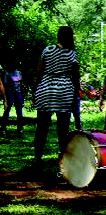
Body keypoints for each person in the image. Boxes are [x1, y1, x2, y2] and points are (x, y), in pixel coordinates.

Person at [33, 26, 80, 166]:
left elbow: (39, 72)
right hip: (64, 91)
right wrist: (77, 92)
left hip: (45, 88)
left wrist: (35, 91)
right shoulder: (72, 54)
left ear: (59, 36)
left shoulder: (47, 50)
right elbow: (76, 77)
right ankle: (63, 160)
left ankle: (37, 158)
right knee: (63, 129)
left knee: (41, 127)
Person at [0, 64, 23, 134]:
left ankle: (20, 128)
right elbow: (5, 85)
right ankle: (3, 128)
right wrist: (6, 97)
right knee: (7, 111)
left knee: (19, 111)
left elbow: (20, 83)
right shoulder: (7, 74)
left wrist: (21, 94)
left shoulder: (19, 73)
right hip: (10, 94)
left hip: (18, 94)